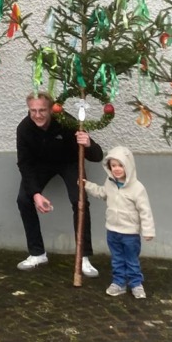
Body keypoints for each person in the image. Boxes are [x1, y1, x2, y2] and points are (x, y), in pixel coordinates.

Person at [16, 92, 103, 275]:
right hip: (40, 165)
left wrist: (88, 144)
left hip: (69, 163)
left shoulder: (66, 122)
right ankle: (37, 253)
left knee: (80, 200)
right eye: (33, 111)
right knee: (24, 199)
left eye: (42, 110)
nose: (37, 115)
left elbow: (97, 156)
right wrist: (35, 194)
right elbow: (24, 163)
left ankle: (83, 257)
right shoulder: (24, 128)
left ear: (51, 109)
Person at [84, 146, 155, 298]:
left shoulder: (137, 188)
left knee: (131, 260)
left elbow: (145, 211)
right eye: (113, 165)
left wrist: (148, 230)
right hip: (112, 231)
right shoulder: (110, 183)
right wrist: (86, 185)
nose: (116, 169)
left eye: (120, 165)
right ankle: (119, 283)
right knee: (117, 259)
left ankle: (136, 284)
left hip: (130, 234)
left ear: (128, 166)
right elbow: (102, 193)